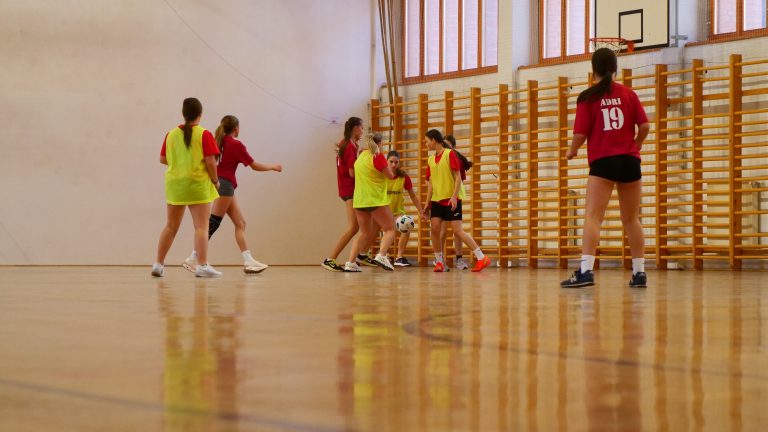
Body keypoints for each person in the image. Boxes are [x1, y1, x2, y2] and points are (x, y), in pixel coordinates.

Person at [560, 48, 650, 289]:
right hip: (630, 161)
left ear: (594, 70)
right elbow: (644, 126)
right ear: (615, 68)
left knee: (593, 217)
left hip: (604, 161)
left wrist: (571, 151)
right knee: (632, 219)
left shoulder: (588, 97)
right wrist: (636, 145)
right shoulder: (629, 94)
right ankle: (639, 273)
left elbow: (580, 134)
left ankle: (586, 271)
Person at [182, 115, 282, 274]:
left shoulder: (217, 141)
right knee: (212, 224)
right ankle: (192, 257)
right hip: (225, 186)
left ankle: (249, 261)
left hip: (221, 185)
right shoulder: (236, 145)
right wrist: (273, 167)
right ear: (236, 129)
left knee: (240, 223)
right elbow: (254, 165)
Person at [152, 97, 222, 278]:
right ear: (200, 114)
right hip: (197, 185)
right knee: (201, 227)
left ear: (183, 114)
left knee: (171, 226)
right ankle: (202, 265)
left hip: (175, 185)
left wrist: (179, 163)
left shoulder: (171, 134)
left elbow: (163, 159)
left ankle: (158, 264)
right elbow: (211, 161)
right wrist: (215, 181)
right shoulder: (204, 134)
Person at [423, 129, 491, 273]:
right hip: (436, 200)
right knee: (434, 229)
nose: (426, 144)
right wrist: (427, 204)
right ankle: (439, 262)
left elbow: (458, 177)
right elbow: (430, 185)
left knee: (458, 231)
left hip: (451, 199)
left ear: (434, 140)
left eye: (427, 141)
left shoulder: (449, 154)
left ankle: (481, 257)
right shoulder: (430, 160)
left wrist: (454, 196)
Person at [343, 134, 397, 272]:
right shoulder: (377, 156)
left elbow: (354, 174)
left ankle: (350, 262)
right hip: (374, 199)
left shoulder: (361, 157)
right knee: (390, 228)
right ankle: (382, 255)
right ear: (380, 143)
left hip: (360, 200)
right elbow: (390, 176)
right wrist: (389, 167)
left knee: (364, 232)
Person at [322, 117, 364, 271]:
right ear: (355, 128)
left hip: (346, 188)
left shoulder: (345, 143)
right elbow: (352, 172)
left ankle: (360, 255)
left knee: (357, 226)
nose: (363, 131)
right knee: (354, 227)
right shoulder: (350, 146)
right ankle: (330, 259)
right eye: (361, 127)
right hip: (349, 189)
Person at [440, 134, 473, 269]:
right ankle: (439, 259)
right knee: (442, 230)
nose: (445, 147)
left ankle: (459, 258)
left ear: (453, 146)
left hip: (454, 198)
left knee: (457, 230)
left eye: (448, 145)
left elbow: (460, 179)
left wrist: (454, 195)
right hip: (441, 197)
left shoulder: (456, 160)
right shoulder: (439, 159)